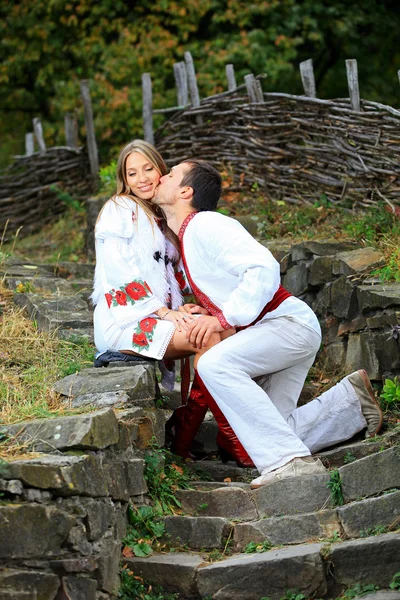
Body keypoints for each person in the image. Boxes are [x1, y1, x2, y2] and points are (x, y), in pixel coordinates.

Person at [151, 158, 383, 488]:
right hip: (284, 330)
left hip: (286, 325)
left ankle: (290, 463)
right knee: (272, 428)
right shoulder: (191, 233)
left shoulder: (204, 225)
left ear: (185, 191)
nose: (161, 177)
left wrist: (223, 317)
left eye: (170, 174)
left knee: (214, 365)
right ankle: (351, 403)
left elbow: (262, 267)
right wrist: (214, 310)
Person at [91, 139, 253, 466]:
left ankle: (194, 431)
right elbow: (118, 277)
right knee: (206, 337)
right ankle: (225, 442)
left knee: (226, 335)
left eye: (148, 168)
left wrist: (185, 308)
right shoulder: (119, 209)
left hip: (152, 318)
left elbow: (173, 278)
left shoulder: (160, 217)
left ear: (160, 169)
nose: (142, 178)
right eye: (132, 172)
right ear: (124, 178)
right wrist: (163, 312)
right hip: (124, 323)